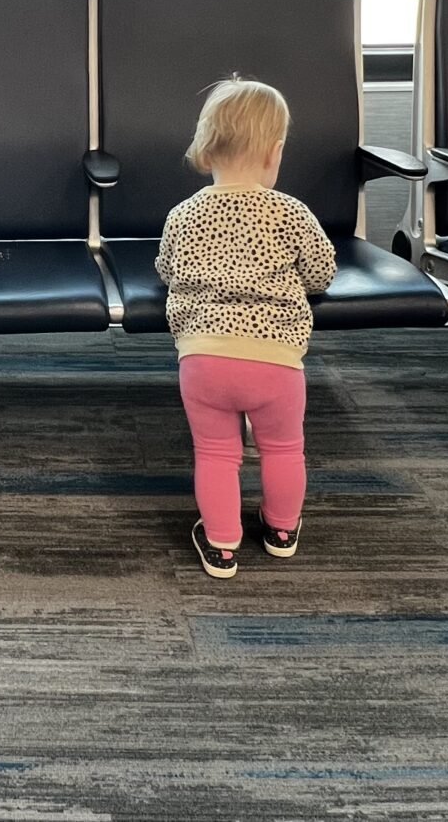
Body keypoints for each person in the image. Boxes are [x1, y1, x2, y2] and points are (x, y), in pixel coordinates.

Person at [155, 75, 336, 579]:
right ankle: (280, 531)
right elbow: (322, 272)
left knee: (215, 453)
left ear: (207, 149)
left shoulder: (183, 215)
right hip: (276, 362)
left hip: (204, 358)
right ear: (275, 152)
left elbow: (167, 271)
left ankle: (222, 546)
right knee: (283, 448)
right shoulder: (292, 213)